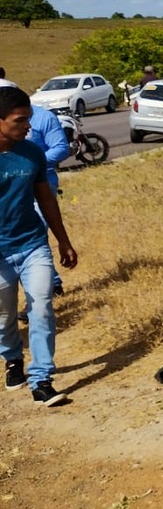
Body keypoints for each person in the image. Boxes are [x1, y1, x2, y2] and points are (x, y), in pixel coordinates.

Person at [0, 82, 78, 406]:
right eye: (19, 120)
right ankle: (12, 358)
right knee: (4, 316)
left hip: (33, 244)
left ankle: (42, 379)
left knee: (42, 307)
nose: (27, 126)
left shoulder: (32, 152)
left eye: (28, 118)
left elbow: (45, 198)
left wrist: (63, 240)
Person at [27, 103, 69, 296]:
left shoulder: (43, 117)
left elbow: (61, 148)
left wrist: (32, 164)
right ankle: (52, 284)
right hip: (12, 188)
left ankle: (44, 291)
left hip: (42, 185)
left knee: (35, 237)